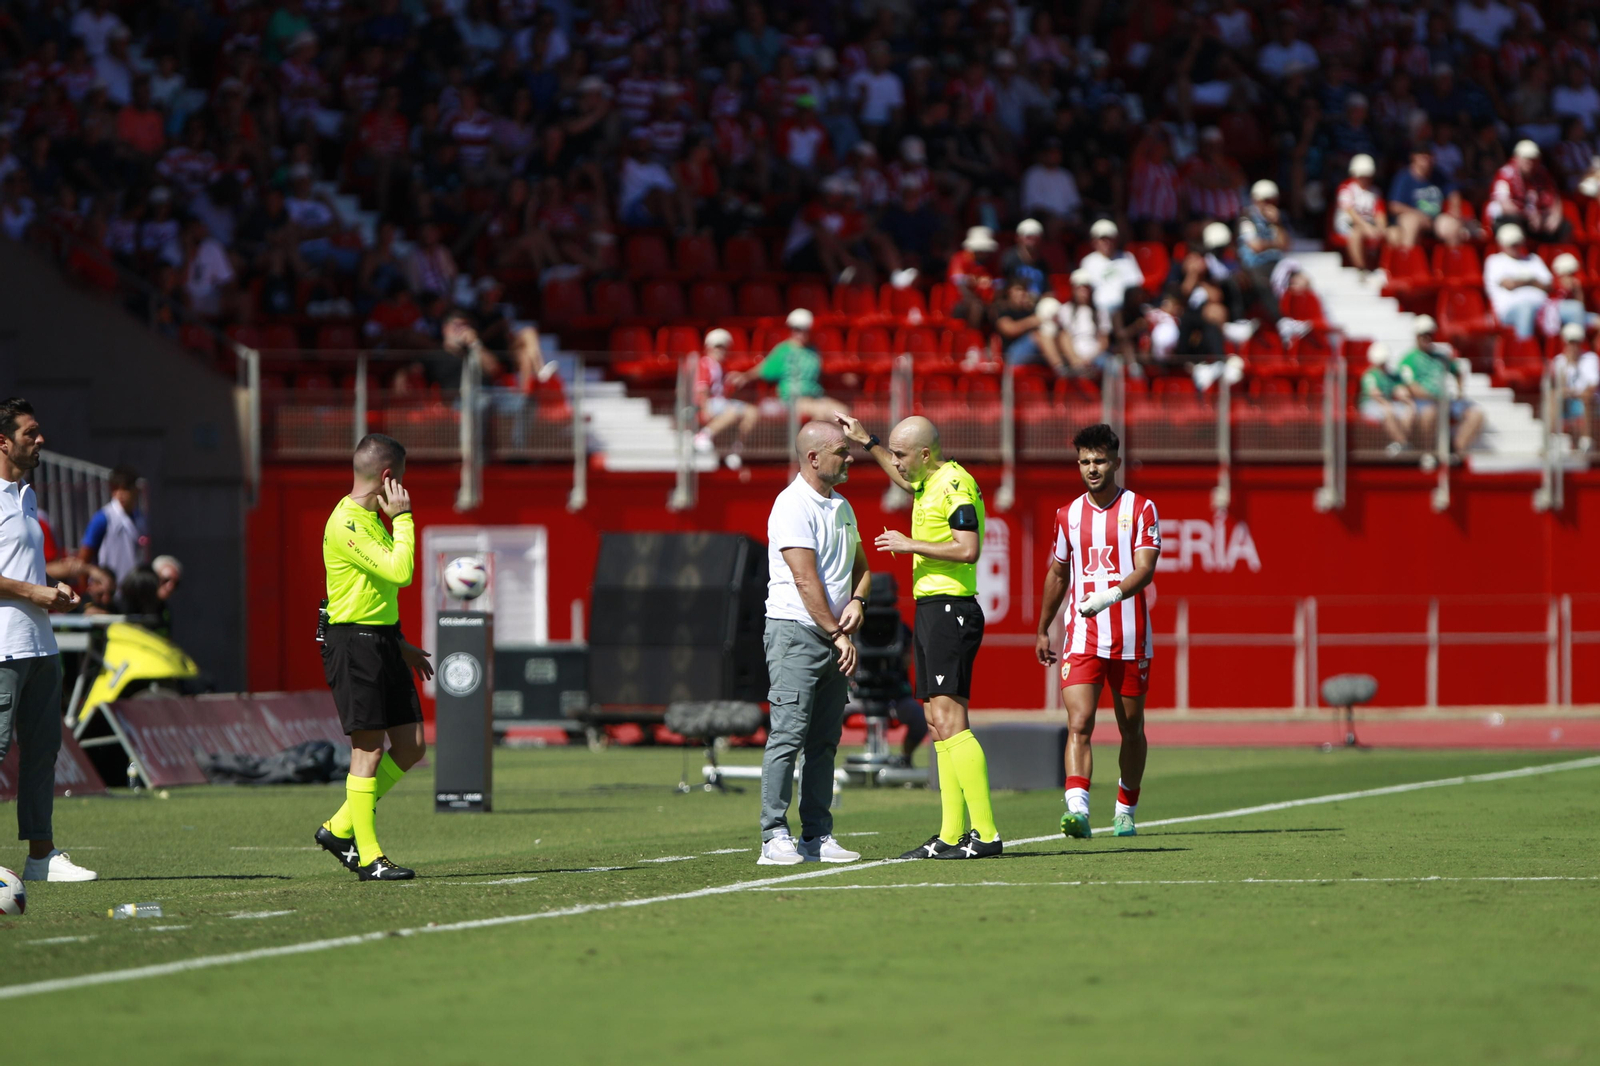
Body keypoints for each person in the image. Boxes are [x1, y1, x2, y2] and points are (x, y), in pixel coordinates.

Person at [838, 413, 1002, 860]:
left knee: (951, 722)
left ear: (925, 454)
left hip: (952, 609)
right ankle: (951, 835)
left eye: (901, 453)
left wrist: (912, 545)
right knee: (936, 723)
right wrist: (867, 440)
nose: (895, 461)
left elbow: (968, 548)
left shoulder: (954, 485)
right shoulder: (928, 481)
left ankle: (984, 833)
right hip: (933, 609)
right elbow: (900, 475)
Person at [315, 433, 435, 881]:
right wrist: (403, 519)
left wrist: (398, 642)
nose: (402, 489)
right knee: (367, 750)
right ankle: (370, 859)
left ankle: (340, 827)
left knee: (411, 746)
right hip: (354, 645)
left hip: (381, 640)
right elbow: (400, 572)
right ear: (388, 477)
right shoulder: (346, 523)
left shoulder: (369, 520)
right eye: (400, 480)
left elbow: (373, 590)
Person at [1032, 423, 1160, 839]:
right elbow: (1057, 572)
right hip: (1081, 637)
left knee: (1131, 729)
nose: (1092, 468)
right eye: (1085, 461)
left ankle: (1126, 807)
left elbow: (1144, 570)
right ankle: (1078, 811)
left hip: (1129, 636)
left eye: (1100, 460)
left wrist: (1106, 598)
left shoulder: (1141, 510)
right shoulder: (1067, 515)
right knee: (1080, 723)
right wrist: (1042, 628)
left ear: (1116, 462)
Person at [757, 421, 869, 866]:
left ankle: (817, 836)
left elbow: (863, 566)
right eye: (842, 451)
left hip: (830, 635)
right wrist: (838, 634)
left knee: (823, 742)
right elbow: (804, 579)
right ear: (814, 458)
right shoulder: (791, 505)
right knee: (787, 735)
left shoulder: (841, 505)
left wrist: (858, 600)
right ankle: (772, 835)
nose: (850, 457)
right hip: (796, 633)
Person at [0, 398, 94, 882]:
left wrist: (52, 592)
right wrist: (33, 590)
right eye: (30, 433)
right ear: (3, 442)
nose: (40, 440)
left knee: (42, 753)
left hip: (41, 645)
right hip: (3, 649)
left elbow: (20, 569)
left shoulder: (28, 497)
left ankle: (41, 858)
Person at [727, 308, 848, 421]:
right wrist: (744, 376)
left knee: (844, 413)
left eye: (804, 329)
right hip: (793, 400)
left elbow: (822, 372)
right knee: (820, 413)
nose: (800, 333)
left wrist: (844, 377)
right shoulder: (784, 350)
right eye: (796, 329)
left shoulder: (813, 350)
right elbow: (764, 369)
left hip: (816, 398)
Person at [1400, 316, 1485, 457]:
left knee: (1476, 414)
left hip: (1445, 400)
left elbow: (1458, 371)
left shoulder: (1442, 356)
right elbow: (1412, 387)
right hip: (1424, 402)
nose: (1427, 338)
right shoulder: (1408, 359)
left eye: (1430, 334)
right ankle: (1427, 452)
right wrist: (1435, 398)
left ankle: (1457, 450)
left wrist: (1459, 392)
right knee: (1429, 413)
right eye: (1423, 334)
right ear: (1416, 336)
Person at [692, 328, 758, 470]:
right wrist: (704, 408)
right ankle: (703, 435)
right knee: (734, 411)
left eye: (724, 347)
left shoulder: (723, 367)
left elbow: (724, 390)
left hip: (721, 402)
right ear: (709, 347)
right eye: (718, 346)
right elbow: (702, 389)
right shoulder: (704, 363)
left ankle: (735, 451)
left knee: (752, 412)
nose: (721, 350)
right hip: (710, 403)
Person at [1387, 146, 1467, 248]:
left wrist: (1455, 208)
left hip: (1435, 219)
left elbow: (1453, 192)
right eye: (1422, 156)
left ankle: (1454, 261)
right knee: (1411, 222)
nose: (1426, 159)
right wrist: (1419, 215)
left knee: (1452, 225)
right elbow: (1394, 206)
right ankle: (1409, 261)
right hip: (1412, 216)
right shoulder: (1403, 177)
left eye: (1429, 155)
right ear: (1414, 157)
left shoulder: (1438, 175)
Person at [78, 464, 147, 583]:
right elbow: (85, 554)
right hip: (107, 590)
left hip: (132, 587)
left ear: (135, 490)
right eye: (115, 488)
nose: (120, 494)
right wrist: (85, 588)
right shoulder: (104, 517)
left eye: (125, 488)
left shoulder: (140, 518)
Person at [1483, 223, 1552, 338]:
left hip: (1544, 307)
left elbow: (1549, 286)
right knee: (1526, 309)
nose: (1515, 246)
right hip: (1510, 311)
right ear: (1502, 244)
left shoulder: (1534, 259)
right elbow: (1509, 284)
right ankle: (1526, 351)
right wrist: (1533, 281)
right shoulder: (1495, 261)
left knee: (1573, 309)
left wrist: (1521, 282)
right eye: (1511, 244)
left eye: (1517, 243)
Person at [1077, 219, 1144, 330]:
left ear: (1116, 240)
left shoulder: (1127, 257)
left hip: (1125, 311)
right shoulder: (1088, 262)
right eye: (1102, 239)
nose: (1106, 243)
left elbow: (1136, 285)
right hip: (1098, 311)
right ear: (1094, 241)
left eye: (1110, 239)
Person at [1358, 343, 1416, 456]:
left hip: (1389, 404)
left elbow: (1401, 390)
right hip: (1371, 405)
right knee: (1388, 412)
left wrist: (1409, 403)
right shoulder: (1370, 375)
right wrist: (1386, 404)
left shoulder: (1392, 376)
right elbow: (1374, 394)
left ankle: (1398, 443)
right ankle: (1403, 444)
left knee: (1408, 411)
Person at [1334, 153, 1387, 274]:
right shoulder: (1346, 188)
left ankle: (1389, 268)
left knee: (1393, 234)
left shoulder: (1375, 191)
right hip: (1348, 225)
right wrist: (1367, 228)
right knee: (1357, 233)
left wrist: (1381, 228)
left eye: (1367, 175)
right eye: (1362, 175)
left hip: (1369, 225)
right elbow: (1350, 212)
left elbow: (1380, 214)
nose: (1365, 179)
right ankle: (1361, 269)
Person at [1553, 322, 1598, 453]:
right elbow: (1559, 387)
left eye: (1576, 342)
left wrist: (1573, 392)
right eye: (1570, 343)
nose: (1573, 346)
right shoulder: (1560, 361)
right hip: (1568, 402)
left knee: (1587, 399)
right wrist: (1568, 363)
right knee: (1553, 397)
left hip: (1586, 401)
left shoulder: (1590, 358)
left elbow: (1591, 388)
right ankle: (1554, 438)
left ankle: (1586, 441)